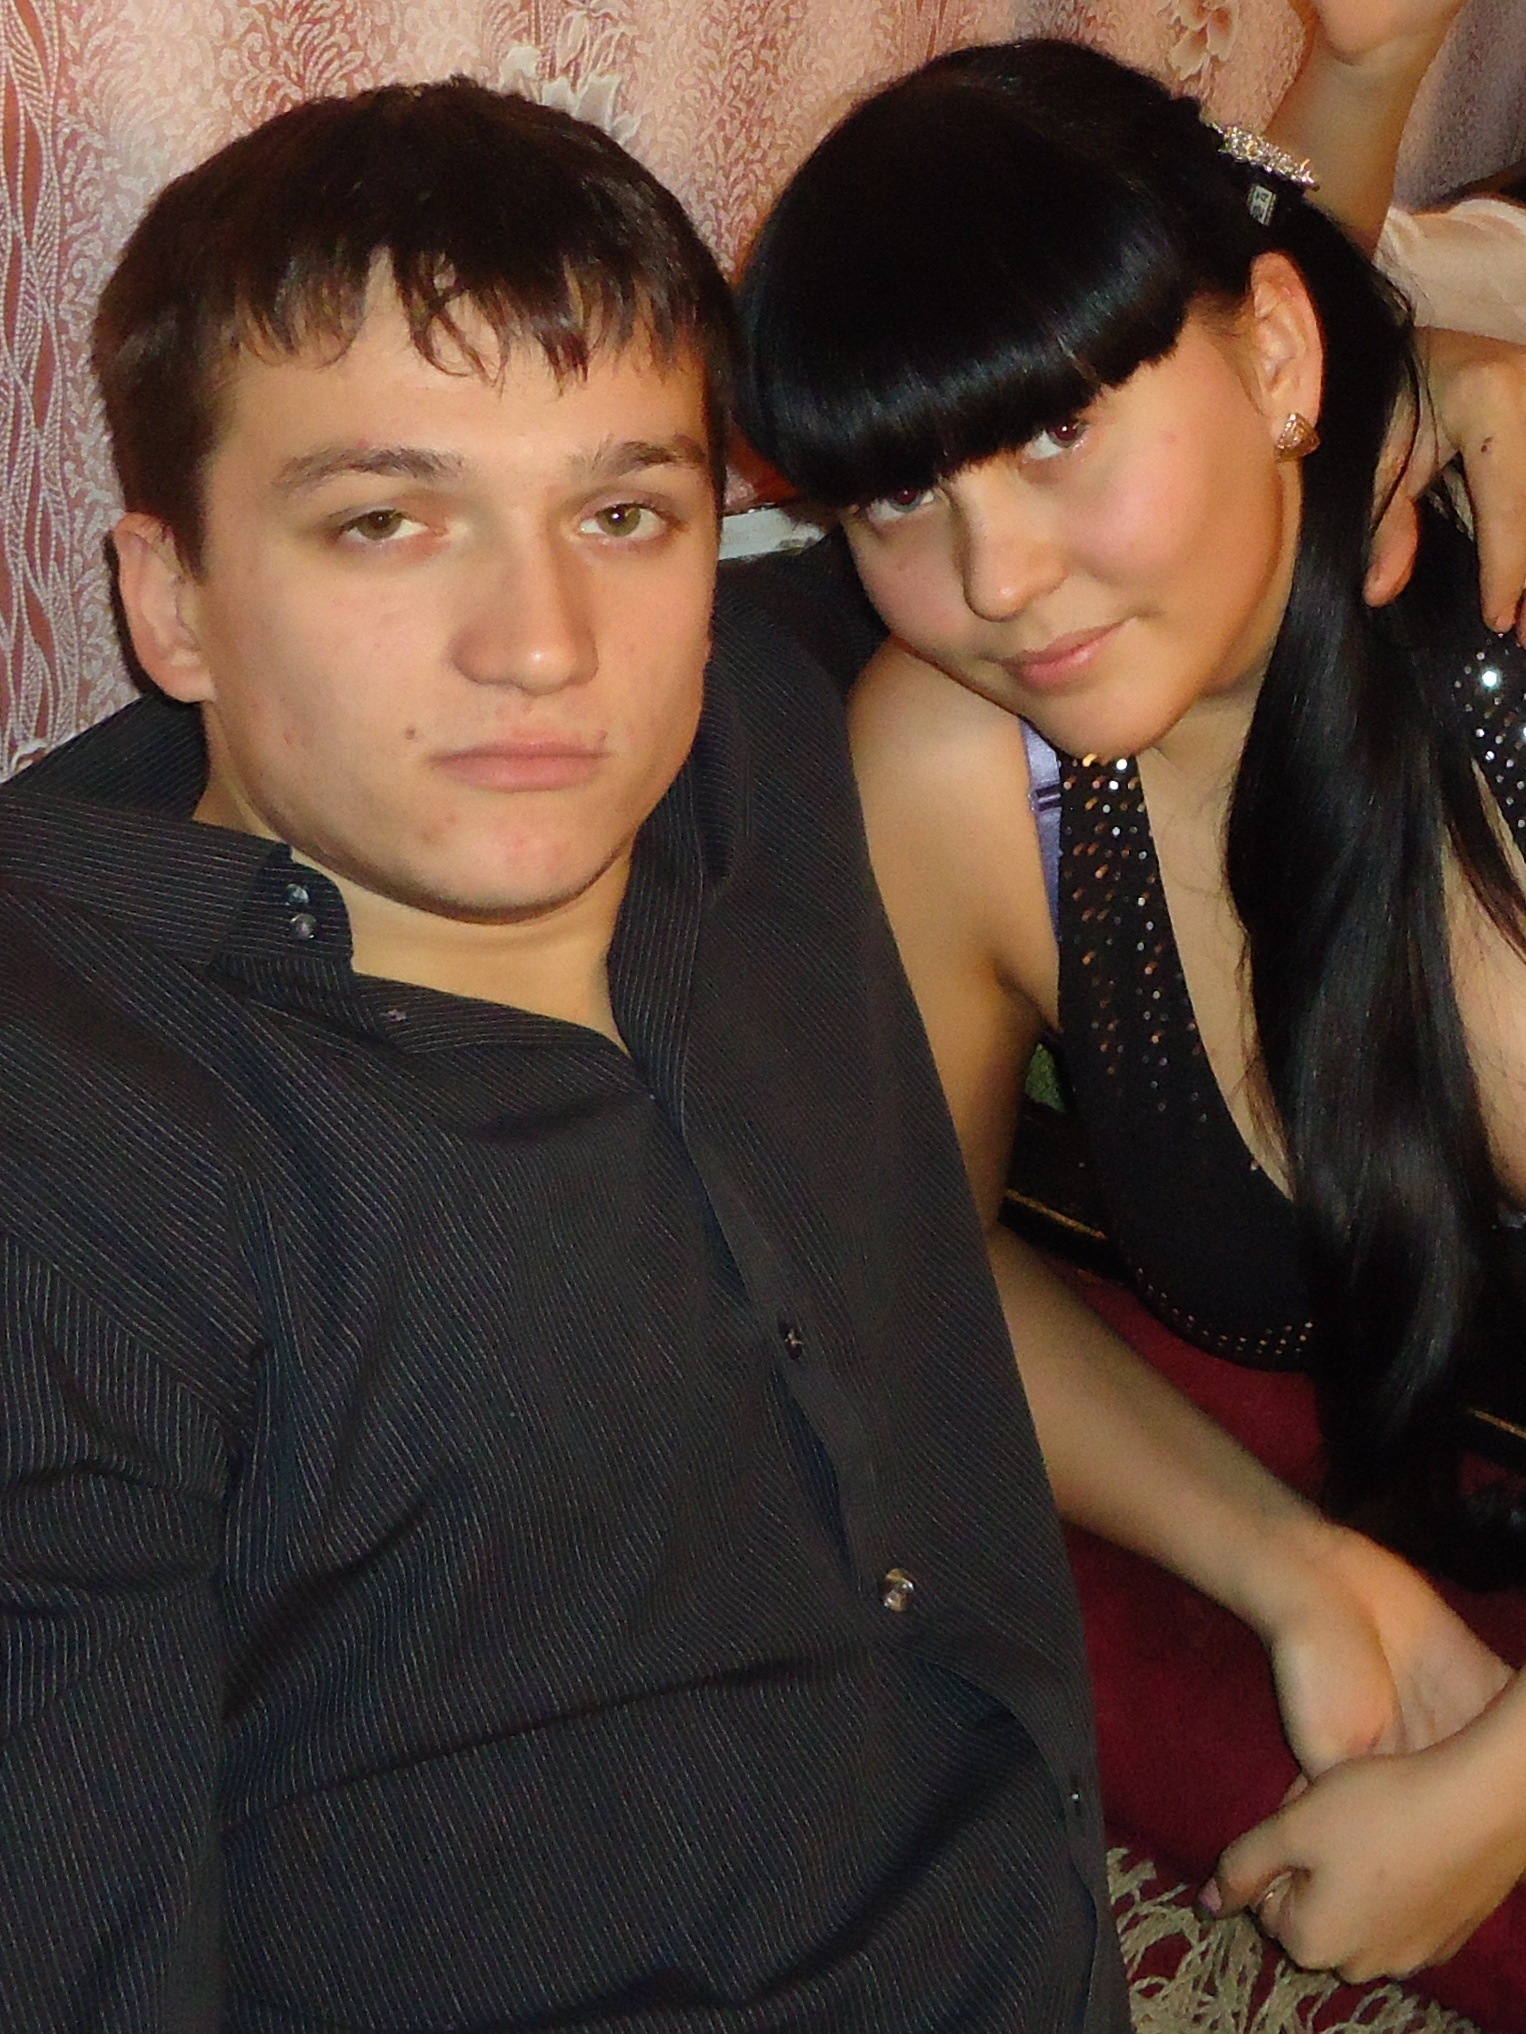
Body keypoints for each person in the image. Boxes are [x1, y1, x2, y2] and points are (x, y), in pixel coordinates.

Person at [0, 79, 1129, 2031]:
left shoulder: (754, 720)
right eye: (384, 521)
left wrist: (1424, 367)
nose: (540, 643)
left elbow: (1126, 485)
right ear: (172, 602)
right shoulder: (76, 1147)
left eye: (621, 513)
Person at [735, 37, 1526, 1985]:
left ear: (1275, 358)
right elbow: (914, 1270)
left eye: (1057, 435)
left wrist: (1497, 1795)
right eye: (898, 495)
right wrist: (1288, 1567)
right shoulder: (951, 763)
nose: (996, 579)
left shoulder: (1494, 661)